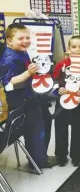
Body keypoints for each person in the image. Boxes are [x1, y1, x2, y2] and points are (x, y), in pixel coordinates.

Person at [0, 23, 56, 168]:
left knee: (42, 124)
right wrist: (28, 73)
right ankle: (38, 161)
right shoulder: (10, 58)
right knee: (35, 130)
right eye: (20, 38)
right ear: (9, 41)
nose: (25, 41)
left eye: (27, 37)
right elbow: (9, 83)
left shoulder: (21, 51)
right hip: (22, 101)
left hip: (30, 96)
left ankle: (38, 157)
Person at [53, 35, 80, 167]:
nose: (77, 50)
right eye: (73, 47)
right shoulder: (62, 64)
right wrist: (58, 89)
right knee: (61, 127)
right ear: (68, 48)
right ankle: (61, 155)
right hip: (61, 100)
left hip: (78, 101)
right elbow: (54, 80)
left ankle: (76, 155)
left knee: (77, 127)